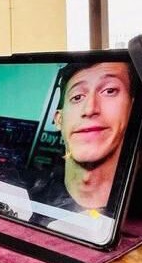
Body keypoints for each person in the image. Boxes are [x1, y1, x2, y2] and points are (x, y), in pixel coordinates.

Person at [30, 61, 134, 230]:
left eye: (109, 91)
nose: (90, 108)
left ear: (133, 109)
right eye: (77, 97)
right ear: (59, 119)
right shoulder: (30, 198)